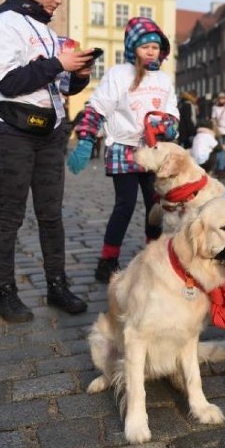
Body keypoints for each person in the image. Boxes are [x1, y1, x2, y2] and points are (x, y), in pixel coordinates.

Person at [0, 0, 92, 322]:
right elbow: (10, 82)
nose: (57, 0)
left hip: (50, 131)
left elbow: (57, 86)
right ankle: (5, 292)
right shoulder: (4, 24)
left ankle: (56, 286)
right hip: (10, 130)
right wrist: (57, 62)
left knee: (51, 214)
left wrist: (76, 76)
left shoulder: (48, 31)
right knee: (10, 215)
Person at [68, 16, 179, 283]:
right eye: (145, 46)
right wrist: (85, 139)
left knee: (156, 206)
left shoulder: (164, 79)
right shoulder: (119, 75)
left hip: (153, 152)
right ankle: (108, 260)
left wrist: (171, 126)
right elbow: (97, 107)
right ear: (133, 48)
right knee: (125, 205)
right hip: (124, 148)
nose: (151, 50)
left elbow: (172, 111)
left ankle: (155, 257)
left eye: (155, 46)